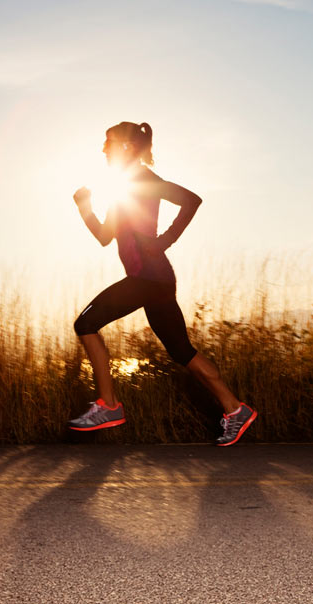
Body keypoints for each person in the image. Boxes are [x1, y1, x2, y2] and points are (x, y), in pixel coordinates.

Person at [68, 121, 257, 446]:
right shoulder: (124, 187)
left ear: (125, 146)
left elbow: (191, 200)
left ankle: (109, 405)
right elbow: (104, 236)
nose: (103, 148)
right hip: (152, 279)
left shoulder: (143, 179)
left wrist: (165, 240)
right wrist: (85, 207)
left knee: (85, 324)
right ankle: (235, 409)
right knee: (182, 352)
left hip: (149, 276)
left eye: (108, 142)